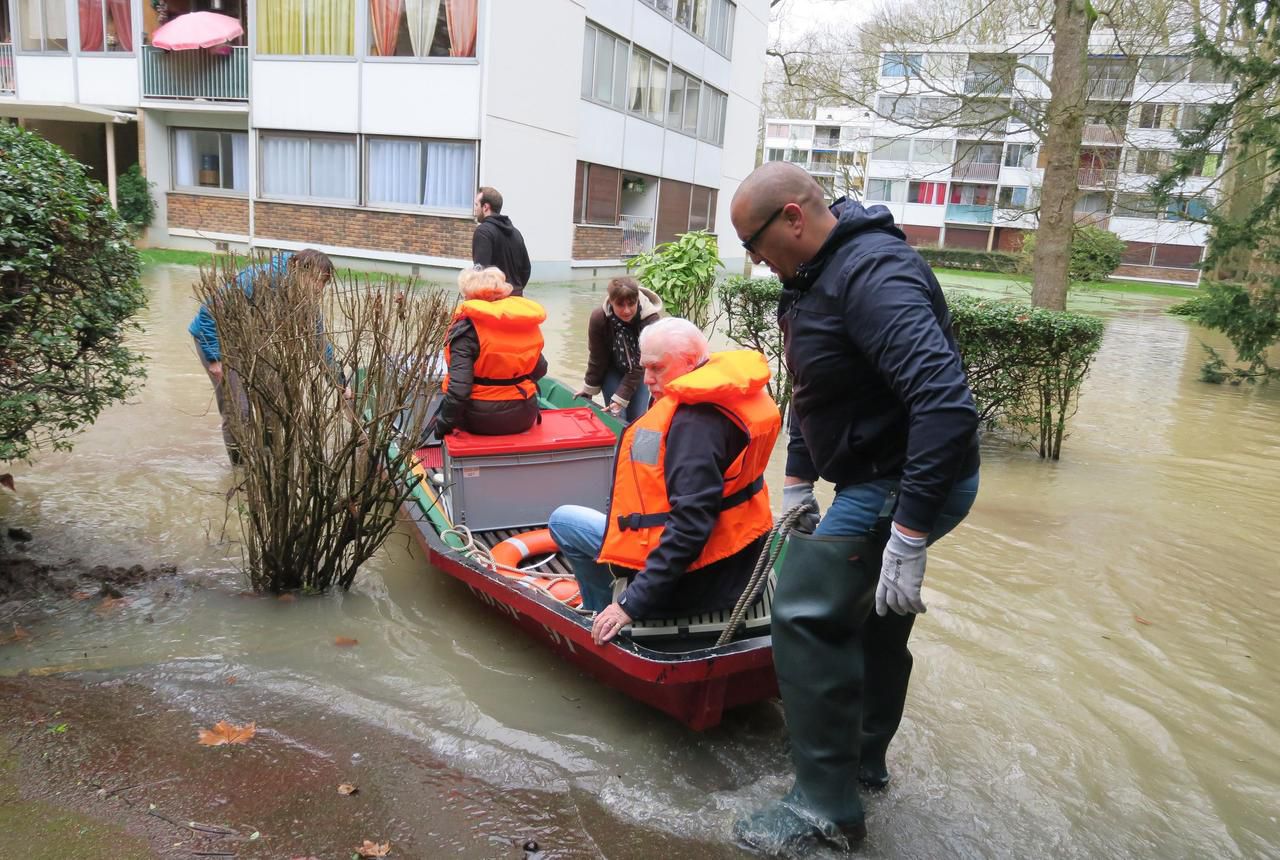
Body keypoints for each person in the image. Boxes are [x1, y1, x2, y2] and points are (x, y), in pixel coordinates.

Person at [729, 162, 982, 853]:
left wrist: (908, 532)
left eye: (752, 243)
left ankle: (825, 811)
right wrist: (798, 479)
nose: (752, 260)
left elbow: (943, 402)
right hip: (873, 474)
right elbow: (820, 388)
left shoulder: (872, 275)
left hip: (901, 480)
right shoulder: (813, 278)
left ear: (792, 217)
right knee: (868, 620)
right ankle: (861, 764)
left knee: (807, 616)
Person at [547, 318, 781, 645]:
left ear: (690, 362)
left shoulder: (693, 425)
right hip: (739, 560)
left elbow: (689, 526)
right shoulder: (732, 398)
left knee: (563, 520)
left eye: (657, 368)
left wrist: (631, 604)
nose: (648, 379)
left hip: (695, 579)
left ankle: (600, 613)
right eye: (645, 368)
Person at [189, 249, 337, 464]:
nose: (318, 289)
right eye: (315, 280)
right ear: (295, 269)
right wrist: (215, 358)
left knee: (276, 402)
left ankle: (269, 464)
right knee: (239, 411)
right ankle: (241, 472)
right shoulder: (257, 279)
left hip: (254, 344)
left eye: (323, 283)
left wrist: (338, 380)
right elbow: (208, 313)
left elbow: (318, 342)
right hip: (219, 341)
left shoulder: (304, 300)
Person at [433, 266, 547, 437]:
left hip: (479, 420)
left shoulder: (466, 331)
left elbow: (458, 391)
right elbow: (540, 369)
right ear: (502, 293)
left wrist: (442, 425)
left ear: (469, 296)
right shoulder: (523, 323)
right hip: (524, 414)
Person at [573, 276, 663, 421]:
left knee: (637, 418)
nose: (626, 310)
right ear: (611, 302)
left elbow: (642, 363)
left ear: (638, 300)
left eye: (631, 304)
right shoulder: (599, 318)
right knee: (616, 414)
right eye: (620, 305)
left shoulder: (650, 320)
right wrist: (588, 388)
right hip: (612, 368)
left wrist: (621, 397)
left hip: (641, 370)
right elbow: (597, 357)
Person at [472, 186, 532, 296]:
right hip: (517, 302)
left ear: (485, 207)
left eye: (476, 205)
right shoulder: (516, 233)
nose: (475, 209)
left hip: (495, 304)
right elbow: (526, 269)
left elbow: (480, 272)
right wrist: (514, 290)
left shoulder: (483, 231)